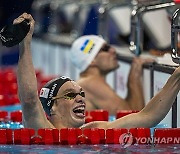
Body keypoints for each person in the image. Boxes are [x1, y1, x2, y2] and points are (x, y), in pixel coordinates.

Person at [17, 13, 180, 130]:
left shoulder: (95, 130)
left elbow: (148, 116)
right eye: (70, 95)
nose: (80, 98)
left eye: (81, 94)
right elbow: (30, 99)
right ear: (52, 107)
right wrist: (25, 43)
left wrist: (177, 75)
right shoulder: (40, 131)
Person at [70, 35, 154, 115]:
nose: (113, 50)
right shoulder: (90, 83)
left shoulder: (85, 82)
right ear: (92, 60)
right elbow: (135, 118)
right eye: (105, 49)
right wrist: (135, 73)